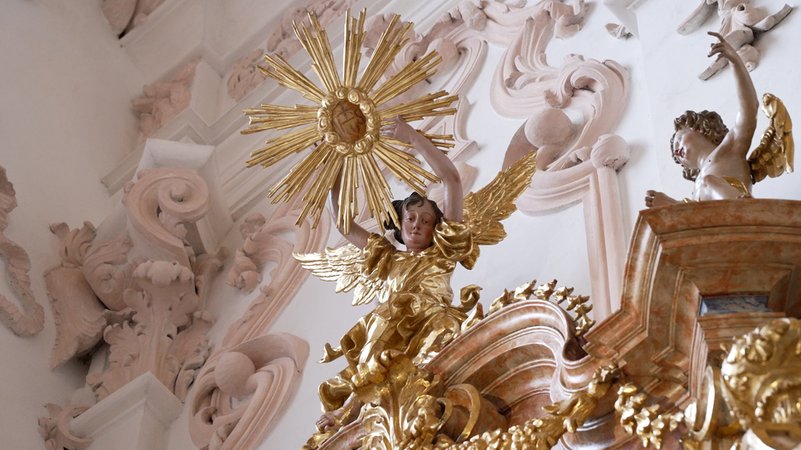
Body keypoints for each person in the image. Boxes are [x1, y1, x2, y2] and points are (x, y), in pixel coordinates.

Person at [312, 117, 478, 429]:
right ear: (400, 225)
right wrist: (333, 165)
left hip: (430, 316)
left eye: (427, 221)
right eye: (411, 218)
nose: (417, 224)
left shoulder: (443, 254)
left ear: (436, 229)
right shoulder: (388, 257)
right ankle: (348, 410)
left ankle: (428, 386)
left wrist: (412, 137)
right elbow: (344, 225)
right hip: (390, 320)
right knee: (380, 338)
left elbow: (452, 181)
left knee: (439, 333)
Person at [645, 31, 758, 208]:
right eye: (675, 153)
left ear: (703, 129)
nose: (677, 152)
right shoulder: (696, 189)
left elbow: (749, 109)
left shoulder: (728, 150)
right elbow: (698, 217)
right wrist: (669, 205)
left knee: (708, 181)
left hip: (741, 215)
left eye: (680, 140)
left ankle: (742, 207)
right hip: (717, 228)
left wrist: (735, 62)